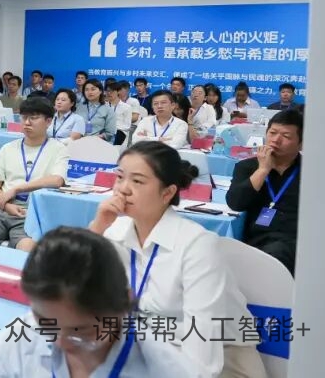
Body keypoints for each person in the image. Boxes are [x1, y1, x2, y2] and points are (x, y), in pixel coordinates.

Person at [89, 142, 265, 377]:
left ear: (167, 193)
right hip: (150, 348)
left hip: (223, 360)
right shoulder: (113, 231)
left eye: (138, 181)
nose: (123, 189)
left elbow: (202, 354)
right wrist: (97, 227)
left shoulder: (197, 246)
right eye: (120, 177)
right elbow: (68, 293)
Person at [0, 227, 204, 378]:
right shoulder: (19, 339)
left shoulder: (168, 371)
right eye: (44, 322)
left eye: (80, 331)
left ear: (124, 306)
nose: (60, 342)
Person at [0, 97, 68, 251]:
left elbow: (57, 180)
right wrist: (5, 205)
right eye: (24, 117)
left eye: (33, 118)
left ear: (48, 121)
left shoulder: (59, 149)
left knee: (27, 249)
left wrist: (17, 189)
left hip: (31, 213)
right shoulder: (8, 148)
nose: (27, 123)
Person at [227, 110, 303, 274]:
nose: (276, 140)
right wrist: (262, 170)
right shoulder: (247, 167)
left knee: (277, 253)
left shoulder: (311, 171)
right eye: (272, 133)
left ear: (301, 144)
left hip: (297, 242)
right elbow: (235, 203)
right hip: (257, 240)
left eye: (286, 136)